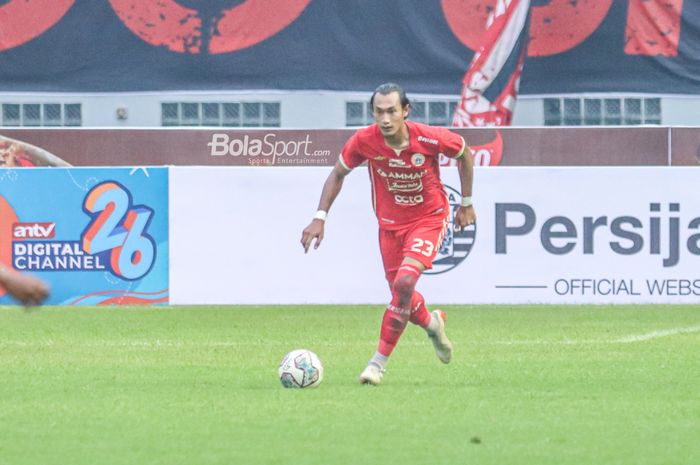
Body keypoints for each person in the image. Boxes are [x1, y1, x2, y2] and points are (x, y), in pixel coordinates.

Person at [300, 83, 475, 385]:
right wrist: (320, 217)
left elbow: (464, 153)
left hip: (429, 219)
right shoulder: (364, 141)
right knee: (401, 291)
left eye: (392, 111)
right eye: (379, 112)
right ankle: (432, 325)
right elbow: (338, 174)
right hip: (389, 225)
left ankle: (377, 364)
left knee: (405, 281)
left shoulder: (429, 138)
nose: (385, 119)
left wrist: (467, 203)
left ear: (405, 111)